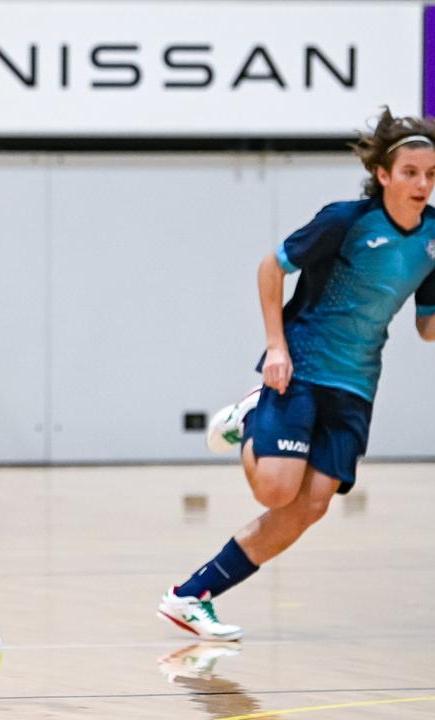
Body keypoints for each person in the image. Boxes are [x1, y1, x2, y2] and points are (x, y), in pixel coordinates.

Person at [159, 109, 435, 641]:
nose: (422, 184)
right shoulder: (347, 221)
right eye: (410, 173)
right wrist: (275, 347)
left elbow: (427, 327)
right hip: (302, 365)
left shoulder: (432, 240)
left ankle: (190, 596)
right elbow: (271, 267)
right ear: (383, 175)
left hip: (356, 385)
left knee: (309, 508)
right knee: (275, 491)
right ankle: (251, 414)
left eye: (430, 174)